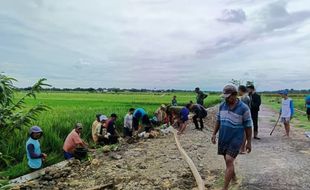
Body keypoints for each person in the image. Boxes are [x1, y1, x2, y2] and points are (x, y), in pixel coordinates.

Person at [211, 85, 252, 190]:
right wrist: (214, 133)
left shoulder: (243, 108)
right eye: (225, 97)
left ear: (235, 95)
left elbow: (248, 126)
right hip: (224, 137)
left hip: (236, 138)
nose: (226, 99)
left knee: (229, 160)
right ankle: (234, 178)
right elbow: (218, 121)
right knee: (227, 161)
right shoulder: (222, 106)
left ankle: (225, 187)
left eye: (228, 96)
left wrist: (249, 142)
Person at [238, 85, 250, 154]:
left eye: (238, 90)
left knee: (244, 133)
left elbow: (244, 109)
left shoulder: (245, 97)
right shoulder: (245, 96)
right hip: (245, 117)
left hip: (244, 117)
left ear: (240, 90)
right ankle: (241, 148)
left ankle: (242, 149)